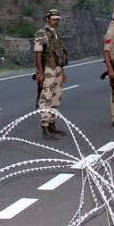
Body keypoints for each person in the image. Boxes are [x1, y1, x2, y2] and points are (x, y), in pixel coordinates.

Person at [35, 9, 68, 140]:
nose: (56, 21)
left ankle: (52, 125)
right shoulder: (41, 33)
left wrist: (63, 72)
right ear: (48, 19)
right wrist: (40, 72)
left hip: (57, 68)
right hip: (47, 69)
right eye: (54, 19)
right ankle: (45, 127)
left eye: (58, 19)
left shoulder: (55, 34)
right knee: (46, 98)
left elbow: (59, 53)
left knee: (57, 96)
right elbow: (37, 53)